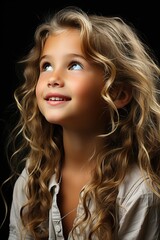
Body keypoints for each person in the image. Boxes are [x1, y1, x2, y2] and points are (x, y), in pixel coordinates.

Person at [6, 5, 160, 240]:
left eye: (74, 65)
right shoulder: (32, 178)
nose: (53, 79)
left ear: (118, 93)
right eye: (46, 66)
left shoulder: (137, 193)